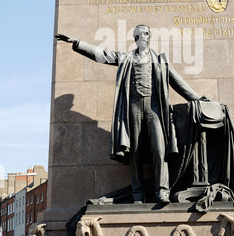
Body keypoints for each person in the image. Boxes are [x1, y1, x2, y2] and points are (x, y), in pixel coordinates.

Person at [56, 25, 201, 204]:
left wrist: (196, 98)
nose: (143, 37)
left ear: (150, 36)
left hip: (154, 108)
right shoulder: (126, 58)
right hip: (133, 107)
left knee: (159, 148)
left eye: (146, 33)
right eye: (139, 34)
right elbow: (103, 55)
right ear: (135, 38)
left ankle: (162, 191)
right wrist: (78, 43)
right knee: (135, 152)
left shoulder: (160, 60)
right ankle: (138, 194)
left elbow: (177, 81)